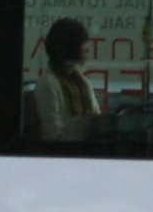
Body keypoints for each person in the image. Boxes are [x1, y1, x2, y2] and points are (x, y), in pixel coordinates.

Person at [25, 17, 101, 145]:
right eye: (82, 44)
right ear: (71, 48)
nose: (86, 49)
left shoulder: (83, 82)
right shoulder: (47, 84)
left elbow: (97, 120)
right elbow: (53, 136)